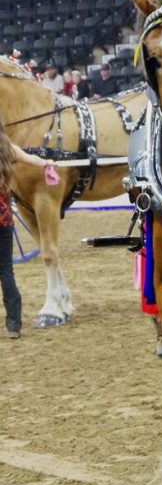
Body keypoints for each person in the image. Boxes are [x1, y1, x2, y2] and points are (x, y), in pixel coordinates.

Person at [0, 121, 55, 339]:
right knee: (6, 271)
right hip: (4, 219)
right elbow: (32, 160)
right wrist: (47, 163)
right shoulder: (8, 148)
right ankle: (14, 324)